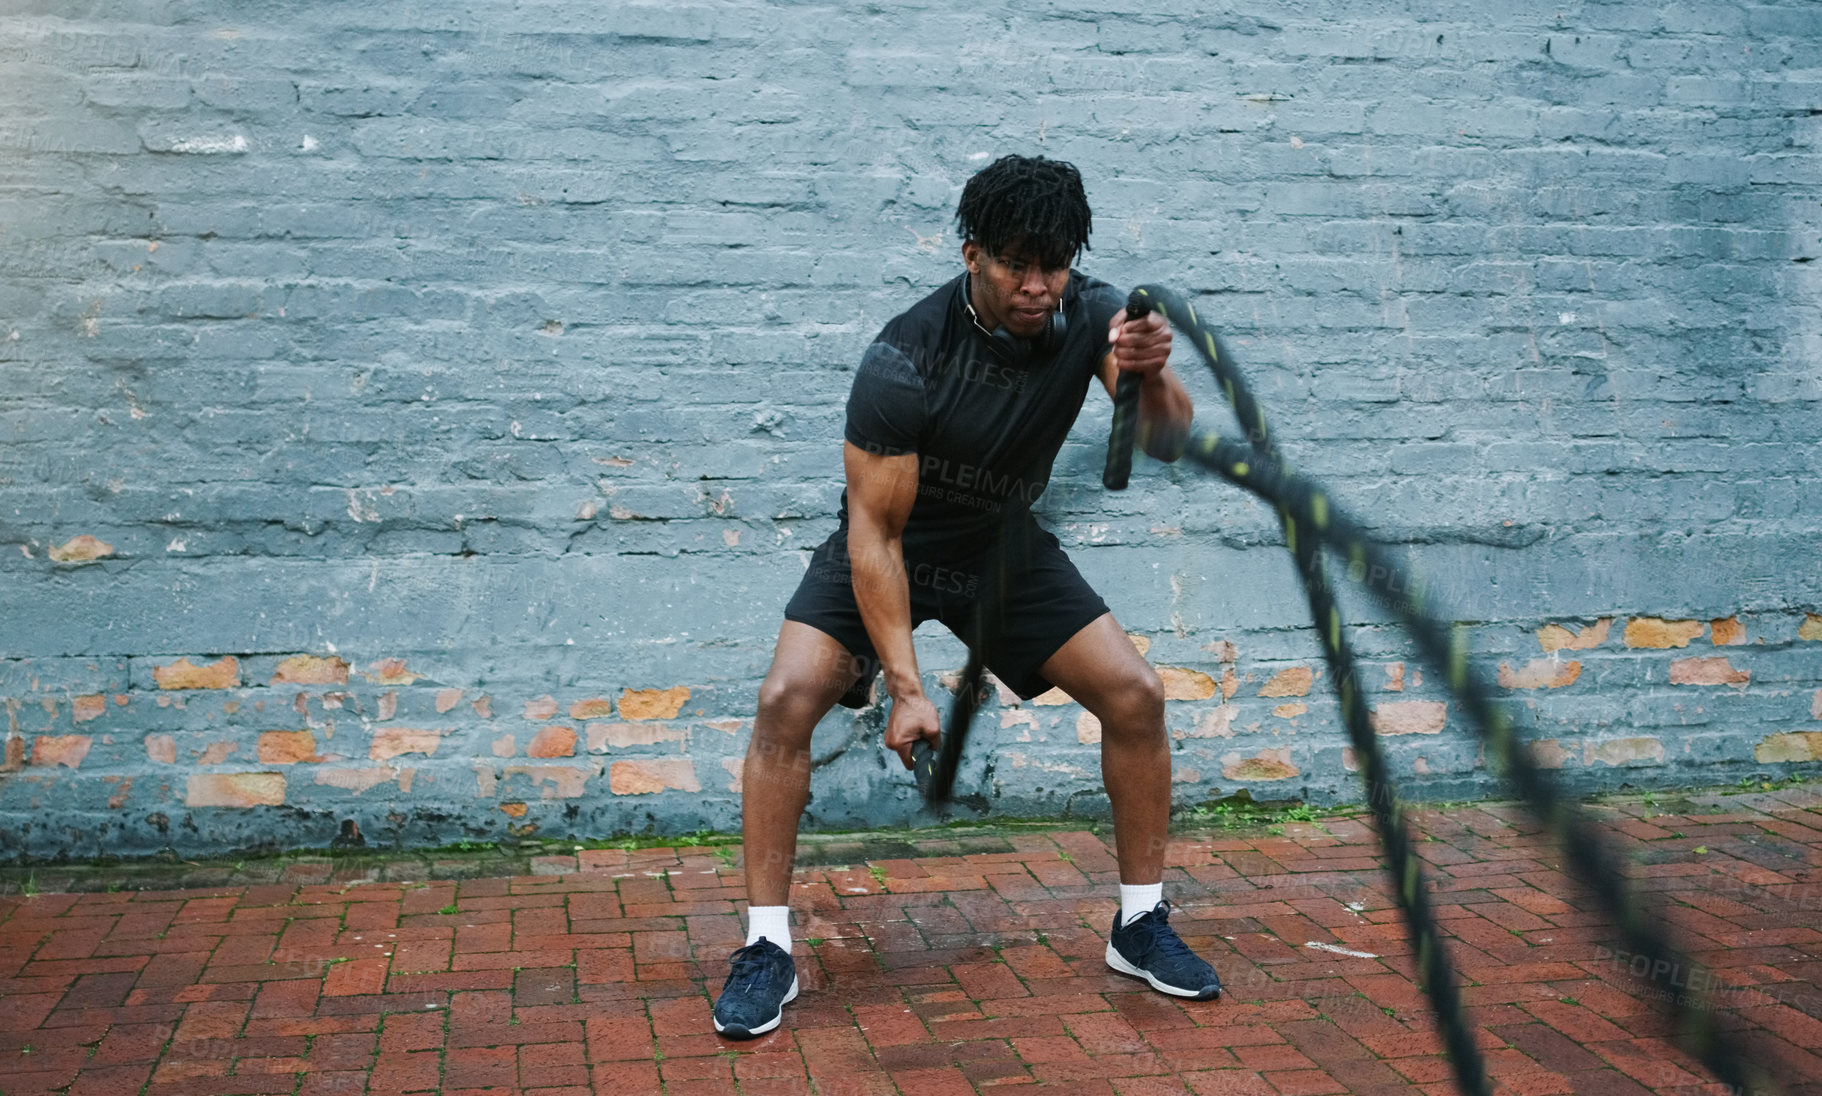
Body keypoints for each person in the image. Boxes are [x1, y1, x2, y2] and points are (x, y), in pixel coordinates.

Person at [712, 154, 1219, 1039]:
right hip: (889, 544)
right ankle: (765, 947)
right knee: (785, 700)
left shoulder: (1092, 313)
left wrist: (1151, 376)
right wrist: (906, 686)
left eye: (1054, 264)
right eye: (1017, 264)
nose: (1037, 286)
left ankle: (1140, 923)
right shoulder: (903, 360)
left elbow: (1169, 442)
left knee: (1136, 695)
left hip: (1000, 546)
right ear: (971, 253)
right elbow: (877, 536)